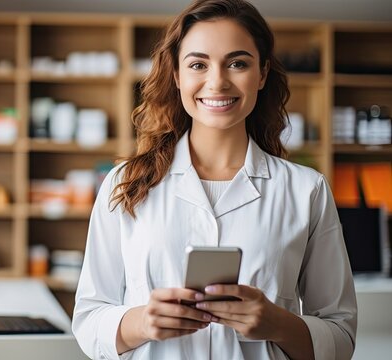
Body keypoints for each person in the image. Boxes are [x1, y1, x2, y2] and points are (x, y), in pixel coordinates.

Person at [71, 0, 357, 359]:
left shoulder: (306, 190)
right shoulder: (124, 184)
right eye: (198, 64)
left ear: (262, 74)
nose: (217, 81)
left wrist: (276, 323)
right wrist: (142, 323)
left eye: (237, 63)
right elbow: (89, 320)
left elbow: (340, 335)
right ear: (177, 75)